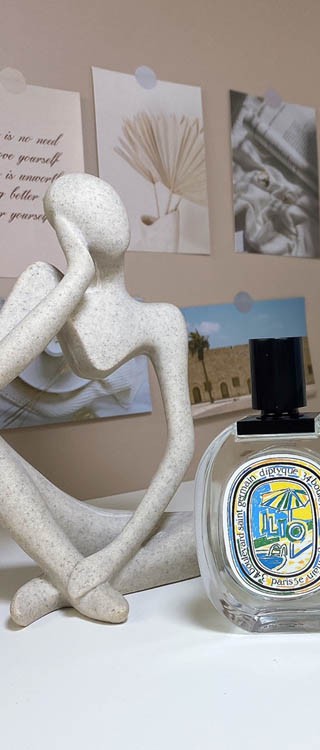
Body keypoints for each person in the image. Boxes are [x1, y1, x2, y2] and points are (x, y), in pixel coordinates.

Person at [0, 173, 196, 626]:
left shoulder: (161, 320)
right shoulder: (46, 282)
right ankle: (72, 573)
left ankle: (61, 587)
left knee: (217, 531)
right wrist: (76, 278)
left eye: (107, 199)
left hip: (114, 529)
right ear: (67, 228)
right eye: (85, 205)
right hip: (59, 514)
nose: (108, 209)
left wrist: (113, 556)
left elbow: (181, 446)